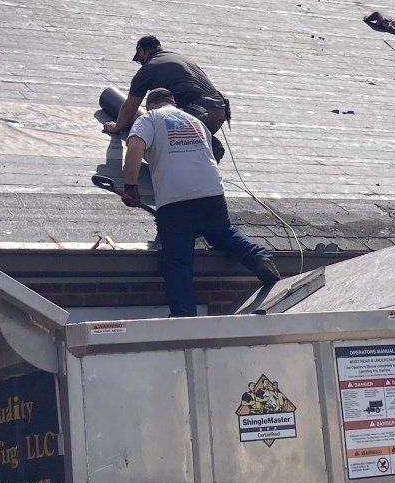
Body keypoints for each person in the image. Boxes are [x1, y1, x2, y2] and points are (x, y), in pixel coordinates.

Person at [118, 87, 278, 316]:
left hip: (176, 201)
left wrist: (131, 186)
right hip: (212, 193)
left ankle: (185, 316)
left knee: (178, 260)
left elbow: (134, 147)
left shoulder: (149, 118)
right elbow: (213, 152)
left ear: (150, 105)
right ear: (172, 102)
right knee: (222, 232)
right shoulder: (194, 121)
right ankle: (260, 259)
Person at [104, 35, 229, 158]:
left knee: (156, 134)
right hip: (219, 110)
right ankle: (208, 145)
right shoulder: (178, 57)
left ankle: (212, 146)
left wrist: (116, 127)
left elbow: (130, 106)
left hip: (197, 113)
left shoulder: (148, 69)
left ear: (141, 52)